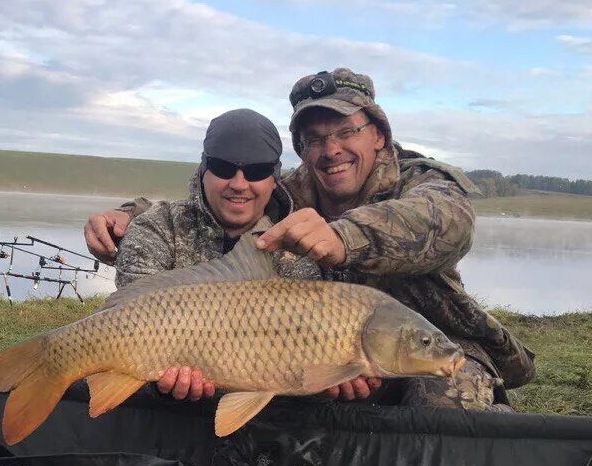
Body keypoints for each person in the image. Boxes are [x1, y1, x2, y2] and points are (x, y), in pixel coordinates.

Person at [86, 70, 535, 410]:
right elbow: (232, 185)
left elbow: (448, 223)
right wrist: (130, 214)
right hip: (326, 350)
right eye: (315, 139)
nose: (331, 149)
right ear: (301, 148)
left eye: (346, 132)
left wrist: (344, 237)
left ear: (379, 134)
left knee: (441, 406)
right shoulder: (294, 190)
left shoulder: (422, 182)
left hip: (426, 342)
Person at [112, 108, 327, 403]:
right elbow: (131, 320)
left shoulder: (294, 247)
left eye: (256, 171)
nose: (239, 184)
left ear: (274, 178)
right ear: (204, 169)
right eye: (224, 167)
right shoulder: (155, 226)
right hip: (163, 404)